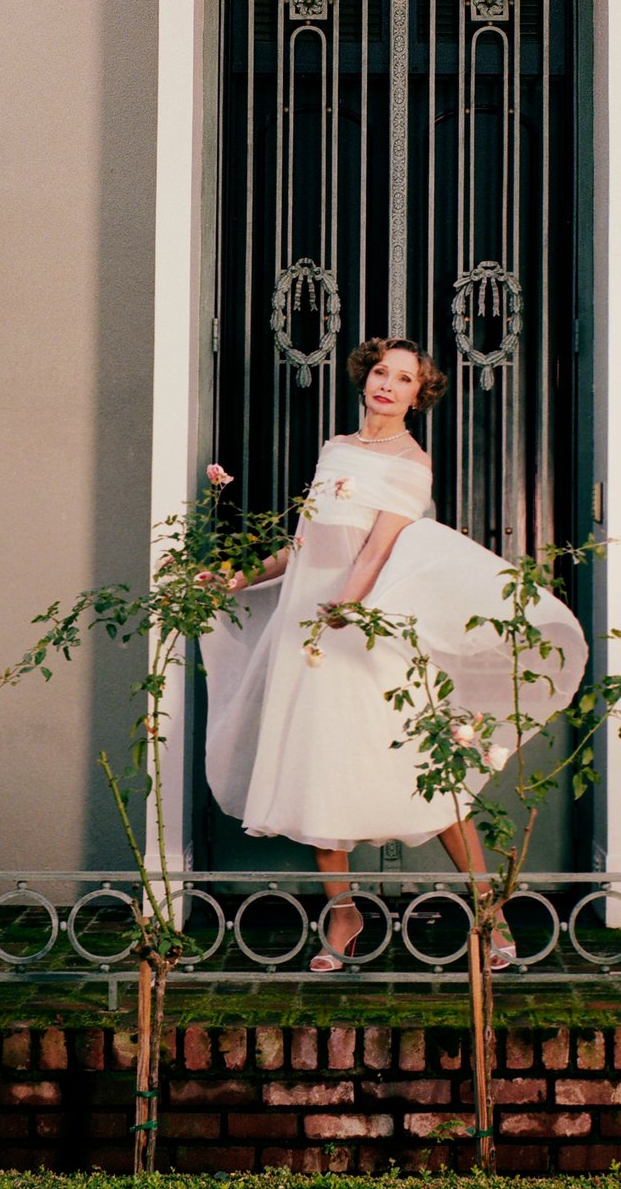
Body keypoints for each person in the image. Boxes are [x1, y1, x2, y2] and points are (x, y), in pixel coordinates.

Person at [202, 338, 588, 971]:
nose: (388, 384)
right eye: (381, 371)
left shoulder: (412, 463)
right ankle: (344, 913)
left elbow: (377, 551)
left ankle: (489, 914)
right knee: (314, 769)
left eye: (403, 378)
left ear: (419, 393)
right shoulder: (335, 449)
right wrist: (237, 579)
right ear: (366, 379)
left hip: (361, 629)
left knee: (421, 775)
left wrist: (344, 610)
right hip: (307, 631)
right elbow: (303, 547)